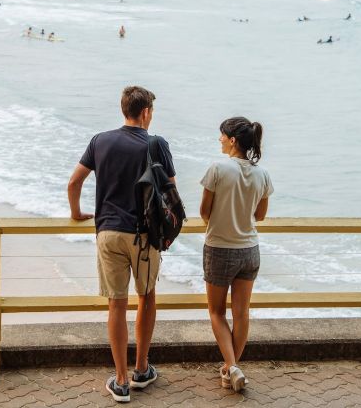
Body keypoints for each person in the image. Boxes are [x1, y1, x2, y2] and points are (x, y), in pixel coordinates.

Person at [68, 86, 176, 403]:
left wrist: (77, 214)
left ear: (123, 109)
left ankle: (120, 381)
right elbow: (171, 192)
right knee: (146, 296)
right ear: (145, 113)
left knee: (116, 303)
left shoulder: (100, 141)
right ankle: (142, 369)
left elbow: (75, 182)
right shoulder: (157, 144)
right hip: (144, 235)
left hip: (109, 233)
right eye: (151, 111)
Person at [199, 117, 273, 393]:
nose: (219, 139)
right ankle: (232, 368)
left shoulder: (217, 169)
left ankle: (231, 366)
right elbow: (260, 216)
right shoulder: (262, 174)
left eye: (221, 136)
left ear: (232, 140)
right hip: (249, 250)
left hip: (219, 249)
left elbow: (204, 212)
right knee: (241, 314)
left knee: (216, 312)